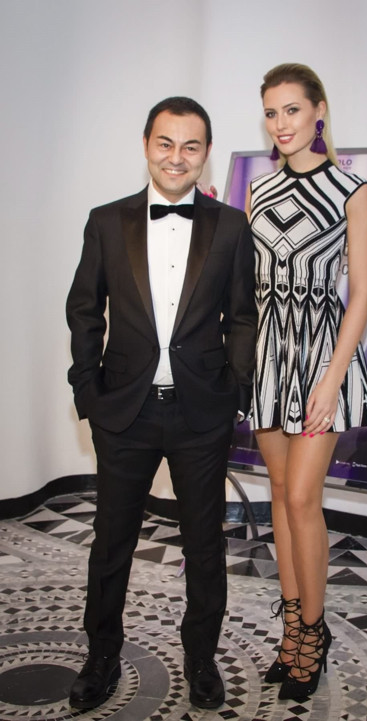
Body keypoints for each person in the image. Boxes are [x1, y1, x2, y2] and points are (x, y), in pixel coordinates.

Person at [66, 96, 257, 710]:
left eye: (191, 146)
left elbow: (243, 317)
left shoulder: (231, 226)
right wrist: (88, 391)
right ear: (147, 145)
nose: (177, 157)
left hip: (203, 413)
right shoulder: (106, 221)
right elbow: (84, 309)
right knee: (111, 541)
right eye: (165, 143)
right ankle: (100, 656)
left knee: (205, 544)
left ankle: (201, 658)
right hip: (125, 411)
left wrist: (235, 390)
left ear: (206, 153)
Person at [246, 64, 367, 701]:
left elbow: (362, 296)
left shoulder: (353, 191)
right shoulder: (258, 191)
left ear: (318, 110)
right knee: (278, 493)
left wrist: (331, 381)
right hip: (268, 362)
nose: (282, 124)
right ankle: (291, 626)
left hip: (322, 363)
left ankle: (313, 632)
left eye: (292, 110)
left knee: (303, 498)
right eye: (272, 113)